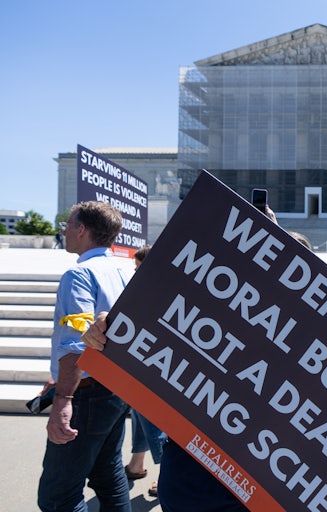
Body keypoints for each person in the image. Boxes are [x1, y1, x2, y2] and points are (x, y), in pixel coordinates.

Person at [82, 208, 313, 511]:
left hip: (263, 490)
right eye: (274, 261)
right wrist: (107, 330)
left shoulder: (319, 353)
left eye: (295, 268)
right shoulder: (205, 318)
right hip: (191, 480)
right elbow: (138, 338)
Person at [38, 201, 133, 512]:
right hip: (118, 389)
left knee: (58, 496)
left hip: (86, 395)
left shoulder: (78, 275)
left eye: (69, 223)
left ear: (82, 230)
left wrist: (64, 397)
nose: (63, 230)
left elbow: (76, 342)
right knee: (108, 474)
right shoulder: (125, 269)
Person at [124, 245, 167, 498]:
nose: (135, 272)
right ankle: (137, 463)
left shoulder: (157, 290)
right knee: (139, 412)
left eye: (138, 267)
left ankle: (166, 476)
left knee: (152, 421)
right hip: (140, 364)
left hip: (152, 368)